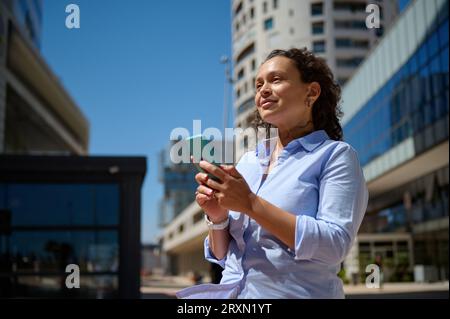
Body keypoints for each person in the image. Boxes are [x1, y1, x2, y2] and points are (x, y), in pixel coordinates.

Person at [176, 48, 369, 299]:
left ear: (311, 92)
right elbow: (224, 257)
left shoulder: (335, 156)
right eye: (258, 85)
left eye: (276, 80)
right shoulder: (249, 162)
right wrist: (218, 218)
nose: (263, 90)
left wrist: (251, 203)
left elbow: (334, 245)